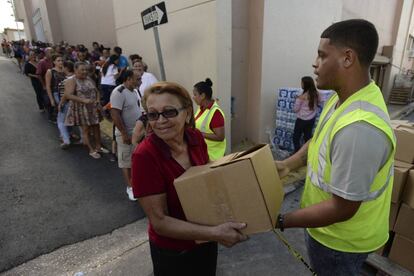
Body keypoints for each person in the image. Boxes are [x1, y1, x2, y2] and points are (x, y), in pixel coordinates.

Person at [275, 19, 396, 276]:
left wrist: (281, 220)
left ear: (347, 58)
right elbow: (317, 140)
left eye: (321, 55)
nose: (314, 63)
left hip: (340, 242)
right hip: (326, 230)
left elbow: (343, 208)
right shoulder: (342, 99)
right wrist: (288, 164)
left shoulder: (360, 129)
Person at [131, 82, 247, 275]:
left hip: (206, 239)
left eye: (169, 112)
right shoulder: (145, 156)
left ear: (186, 112)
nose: (160, 121)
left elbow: (208, 172)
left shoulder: (194, 138)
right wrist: (215, 233)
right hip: (175, 252)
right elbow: (159, 222)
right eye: (152, 114)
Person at [64, 61, 108, 159]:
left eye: (86, 70)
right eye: (82, 70)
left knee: (96, 127)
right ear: (75, 70)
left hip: (93, 107)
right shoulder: (71, 80)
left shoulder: (88, 78)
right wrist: (83, 100)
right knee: (86, 129)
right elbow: (68, 95)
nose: (85, 72)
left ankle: (98, 146)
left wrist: (97, 100)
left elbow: (96, 90)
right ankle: (91, 149)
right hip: (81, 108)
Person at [110, 70, 142, 201]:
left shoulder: (134, 91)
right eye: (137, 79)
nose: (139, 81)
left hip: (136, 132)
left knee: (135, 160)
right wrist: (124, 133)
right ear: (129, 79)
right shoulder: (119, 92)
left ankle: (137, 183)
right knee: (126, 162)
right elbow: (115, 114)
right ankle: (130, 188)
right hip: (126, 134)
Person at [193, 78, 226, 161]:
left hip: (213, 156)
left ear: (203, 96)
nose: (193, 97)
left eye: (195, 94)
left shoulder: (216, 113)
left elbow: (220, 137)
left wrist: (198, 133)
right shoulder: (201, 108)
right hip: (203, 153)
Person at [292, 76, 319, 152]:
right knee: (307, 137)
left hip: (301, 120)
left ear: (305, 84)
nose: (301, 84)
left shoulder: (302, 96)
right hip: (311, 119)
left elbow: (295, 109)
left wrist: (297, 99)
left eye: (302, 83)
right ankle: (308, 154)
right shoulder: (316, 94)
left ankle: (297, 154)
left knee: (296, 137)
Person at [36, 47, 54, 122]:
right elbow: (38, 74)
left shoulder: (53, 61)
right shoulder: (42, 62)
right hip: (46, 84)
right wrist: (44, 85)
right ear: (46, 53)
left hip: (53, 84)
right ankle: (50, 116)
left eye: (53, 52)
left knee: (53, 100)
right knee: (48, 100)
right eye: (51, 52)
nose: (52, 54)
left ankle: (54, 114)